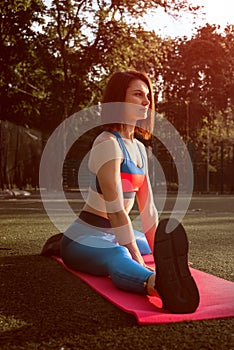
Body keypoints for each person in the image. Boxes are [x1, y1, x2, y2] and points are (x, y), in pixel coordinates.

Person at [60, 70, 200, 314]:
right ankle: (158, 285)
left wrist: (161, 256)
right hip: (85, 237)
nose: (146, 102)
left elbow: (149, 211)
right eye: (137, 95)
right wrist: (142, 264)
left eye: (147, 96)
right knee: (119, 252)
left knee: (149, 243)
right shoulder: (107, 143)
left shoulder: (140, 149)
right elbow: (115, 211)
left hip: (117, 232)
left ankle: (168, 270)